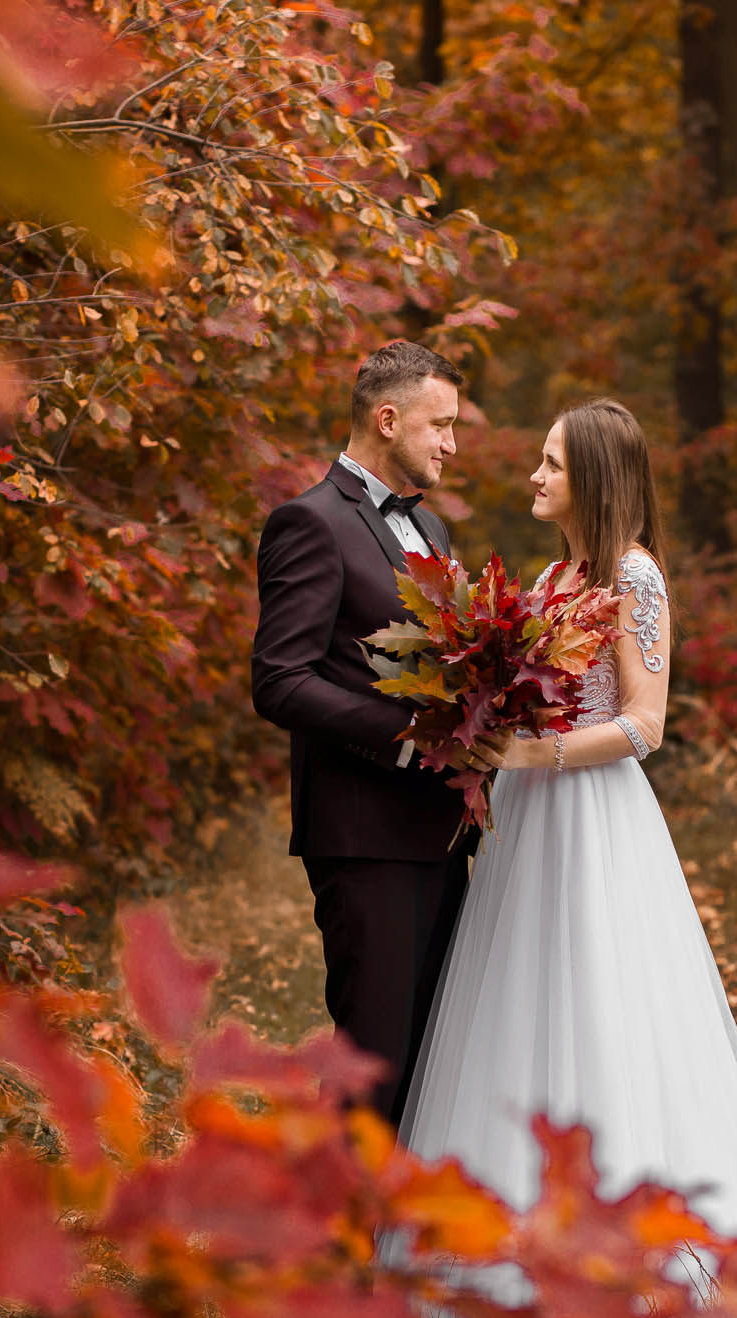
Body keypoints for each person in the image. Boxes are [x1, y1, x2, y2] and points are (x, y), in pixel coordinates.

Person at [397, 396, 737, 1307]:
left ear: (592, 476)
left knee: (602, 993)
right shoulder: (556, 577)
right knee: (517, 992)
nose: (534, 475)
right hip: (530, 816)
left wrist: (531, 750)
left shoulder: (635, 578)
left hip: (595, 813)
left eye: (552, 463)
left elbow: (645, 723)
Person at [250, 339, 479, 1127]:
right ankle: (337, 1243)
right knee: (371, 1061)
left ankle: (393, 1237)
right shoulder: (308, 523)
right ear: (388, 419)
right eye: (439, 424)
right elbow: (279, 679)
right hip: (364, 832)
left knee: (427, 1055)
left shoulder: (437, 535)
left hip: (442, 830)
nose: (451, 442)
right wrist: (407, 734)